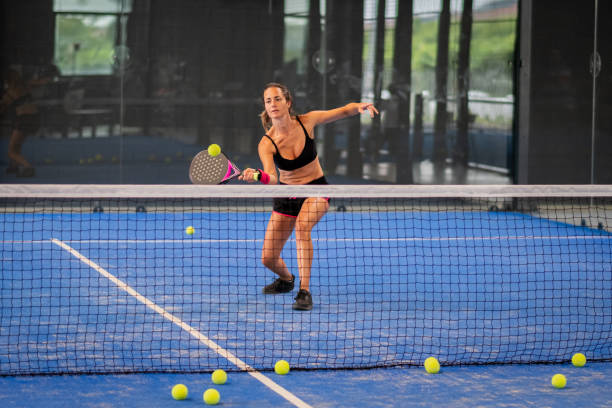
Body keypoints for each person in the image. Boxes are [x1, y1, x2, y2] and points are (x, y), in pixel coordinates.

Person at [239, 82, 378, 311]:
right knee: (268, 258)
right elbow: (272, 178)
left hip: (316, 189)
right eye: (268, 100)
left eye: (277, 99)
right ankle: (286, 280)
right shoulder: (267, 143)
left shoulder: (307, 121)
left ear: (288, 102)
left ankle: (304, 291)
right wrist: (257, 176)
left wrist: (359, 107)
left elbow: (341, 112)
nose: (273, 104)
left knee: (302, 227)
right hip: (286, 195)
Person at [0, 68, 43, 177]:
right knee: (17, 145)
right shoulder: (25, 86)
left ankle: (28, 167)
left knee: (11, 151)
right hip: (35, 118)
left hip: (24, 119)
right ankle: (14, 165)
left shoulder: (10, 93)